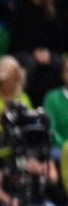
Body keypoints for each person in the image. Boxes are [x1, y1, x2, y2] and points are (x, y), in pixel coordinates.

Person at [8, 0, 64, 105]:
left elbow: (60, 37)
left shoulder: (54, 8)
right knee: (30, 64)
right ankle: (22, 103)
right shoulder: (20, 7)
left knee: (59, 63)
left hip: (48, 52)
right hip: (24, 52)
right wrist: (34, 52)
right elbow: (15, 38)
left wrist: (48, 53)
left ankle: (58, 104)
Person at [42, 56, 68, 190]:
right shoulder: (52, 98)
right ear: (63, 74)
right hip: (59, 146)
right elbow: (51, 129)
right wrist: (66, 145)